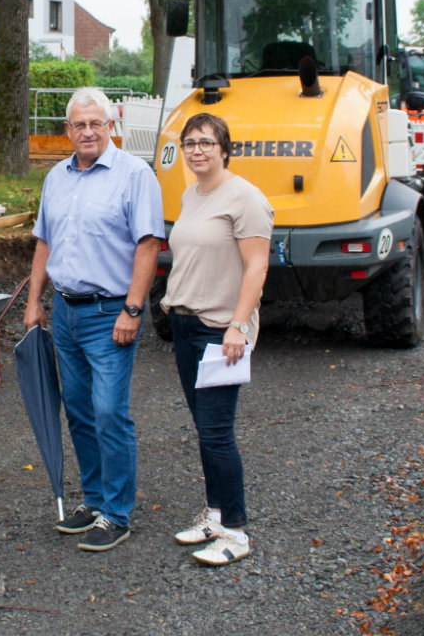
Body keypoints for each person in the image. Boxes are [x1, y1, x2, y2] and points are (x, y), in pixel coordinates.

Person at [23, 87, 164, 552]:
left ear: (111, 126)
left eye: (96, 123)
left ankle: (118, 514)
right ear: (68, 130)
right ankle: (95, 499)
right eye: (79, 124)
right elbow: (44, 241)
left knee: (109, 412)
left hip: (110, 314)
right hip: (64, 311)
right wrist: (34, 302)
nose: (87, 131)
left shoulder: (134, 175)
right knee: (81, 412)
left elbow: (148, 244)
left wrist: (133, 308)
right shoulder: (56, 178)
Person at [160, 112, 272, 566]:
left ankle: (237, 532)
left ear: (225, 149)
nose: (197, 150)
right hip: (186, 325)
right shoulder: (191, 194)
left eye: (206, 142)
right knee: (205, 431)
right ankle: (215, 514)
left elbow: (257, 268)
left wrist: (237, 327)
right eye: (190, 143)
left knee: (218, 433)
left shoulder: (245, 198)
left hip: (219, 330)